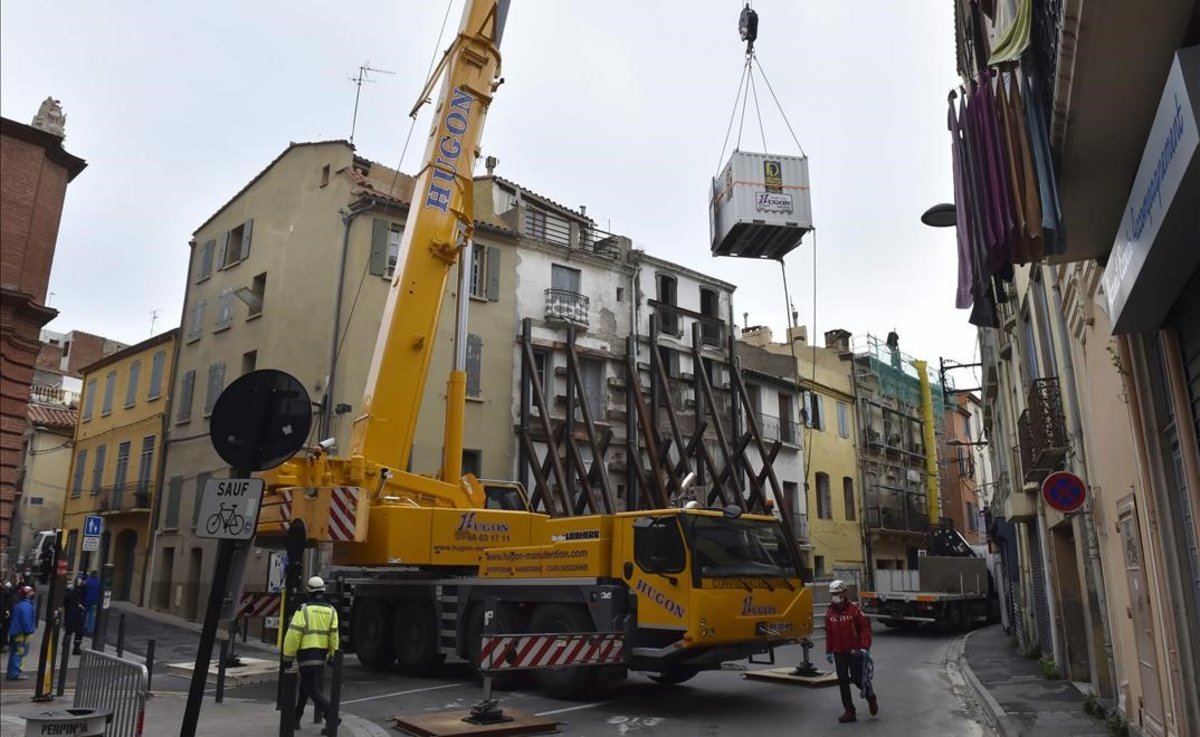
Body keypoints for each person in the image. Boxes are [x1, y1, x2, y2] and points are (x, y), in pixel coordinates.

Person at [282, 576, 340, 735]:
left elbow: (294, 634)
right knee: (305, 686)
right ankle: (296, 718)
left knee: (309, 687)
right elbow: (334, 635)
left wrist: (287, 656)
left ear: (308, 591)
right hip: (321, 654)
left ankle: (331, 715)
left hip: (306, 653)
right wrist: (334, 655)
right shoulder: (331, 610)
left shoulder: (304, 609)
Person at [824, 579, 878, 723]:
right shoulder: (830, 612)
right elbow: (829, 632)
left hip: (855, 650)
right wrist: (829, 651)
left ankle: (870, 696)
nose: (836, 596)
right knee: (842, 680)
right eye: (833, 594)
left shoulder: (854, 610)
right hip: (838, 652)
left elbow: (865, 629)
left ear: (845, 593)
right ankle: (849, 711)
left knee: (857, 678)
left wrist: (865, 647)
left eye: (838, 593)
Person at [6, 586, 37, 680]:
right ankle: (14, 674)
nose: (33, 594)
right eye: (31, 592)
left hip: (16, 632)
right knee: (19, 653)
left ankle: (11, 672)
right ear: (27, 595)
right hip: (22, 634)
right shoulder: (26, 606)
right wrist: (30, 630)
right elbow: (26, 622)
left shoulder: (19, 605)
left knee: (14, 653)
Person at [63, 576, 86, 655]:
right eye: (78, 581)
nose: (79, 583)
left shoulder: (82, 592)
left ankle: (75, 648)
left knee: (78, 632)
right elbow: (65, 602)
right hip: (71, 614)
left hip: (76, 614)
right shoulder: (71, 592)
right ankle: (66, 649)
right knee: (70, 632)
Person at [82, 570, 100, 635]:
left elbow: (83, 590)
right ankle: (91, 629)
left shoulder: (87, 581)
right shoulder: (99, 582)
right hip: (94, 602)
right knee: (92, 615)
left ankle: (85, 627)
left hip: (86, 600)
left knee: (85, 614)